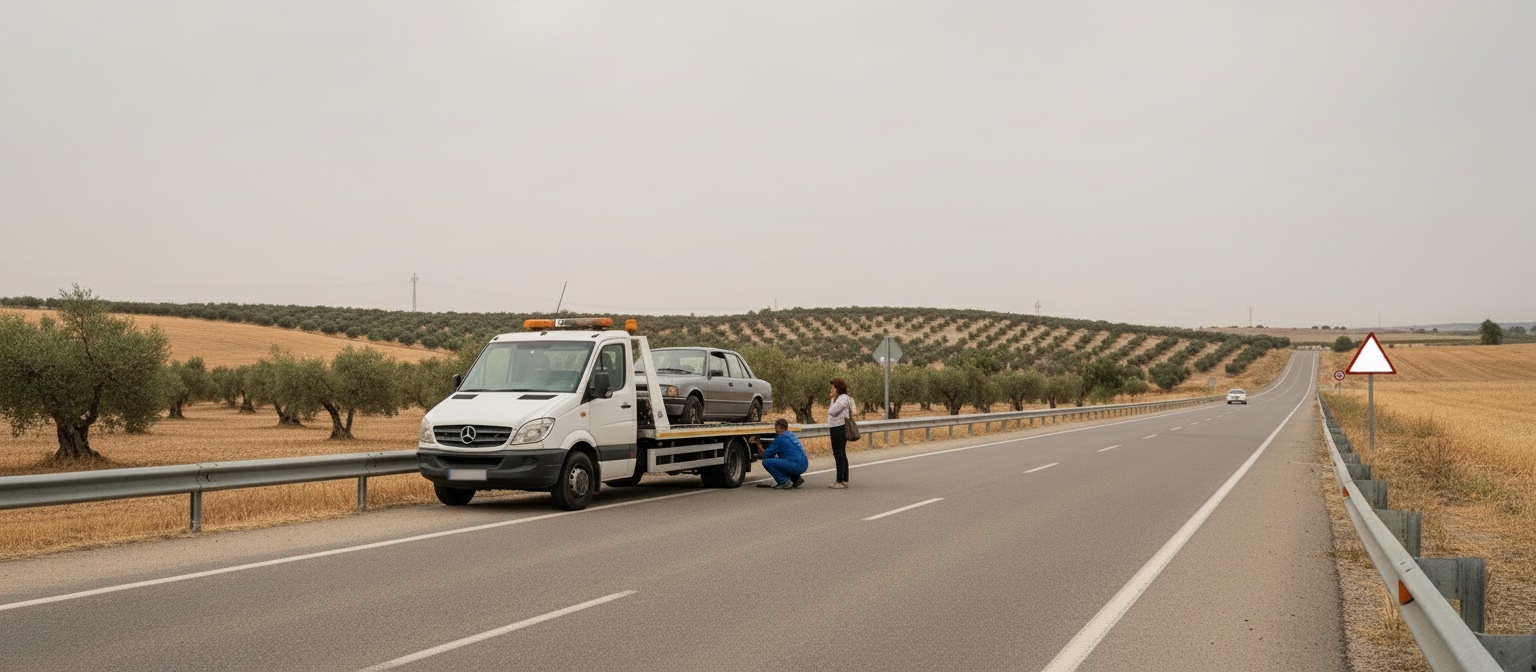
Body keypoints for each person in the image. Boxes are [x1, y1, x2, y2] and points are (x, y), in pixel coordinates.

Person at [752, 418, 806, 489]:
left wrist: (758, 443)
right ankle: (796, 478)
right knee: (783, 460)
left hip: (795, 466)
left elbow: (764, 454)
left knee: (767, 462)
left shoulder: (780, 438)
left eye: (776, 427)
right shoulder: (791, 435)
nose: (775, 430)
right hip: (804, 464)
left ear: (781, 428)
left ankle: (784, 481)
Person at [827, 377, 853, 489]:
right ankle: (844, 479)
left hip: (839, 428)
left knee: (838, 454)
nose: (831, 389)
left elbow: (832, 412)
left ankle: (839, 480)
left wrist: (833, 399)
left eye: (833, 387)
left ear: (838, 388)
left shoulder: (842, 399)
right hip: (836, 427)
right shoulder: (840, 398)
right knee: (841, 454)